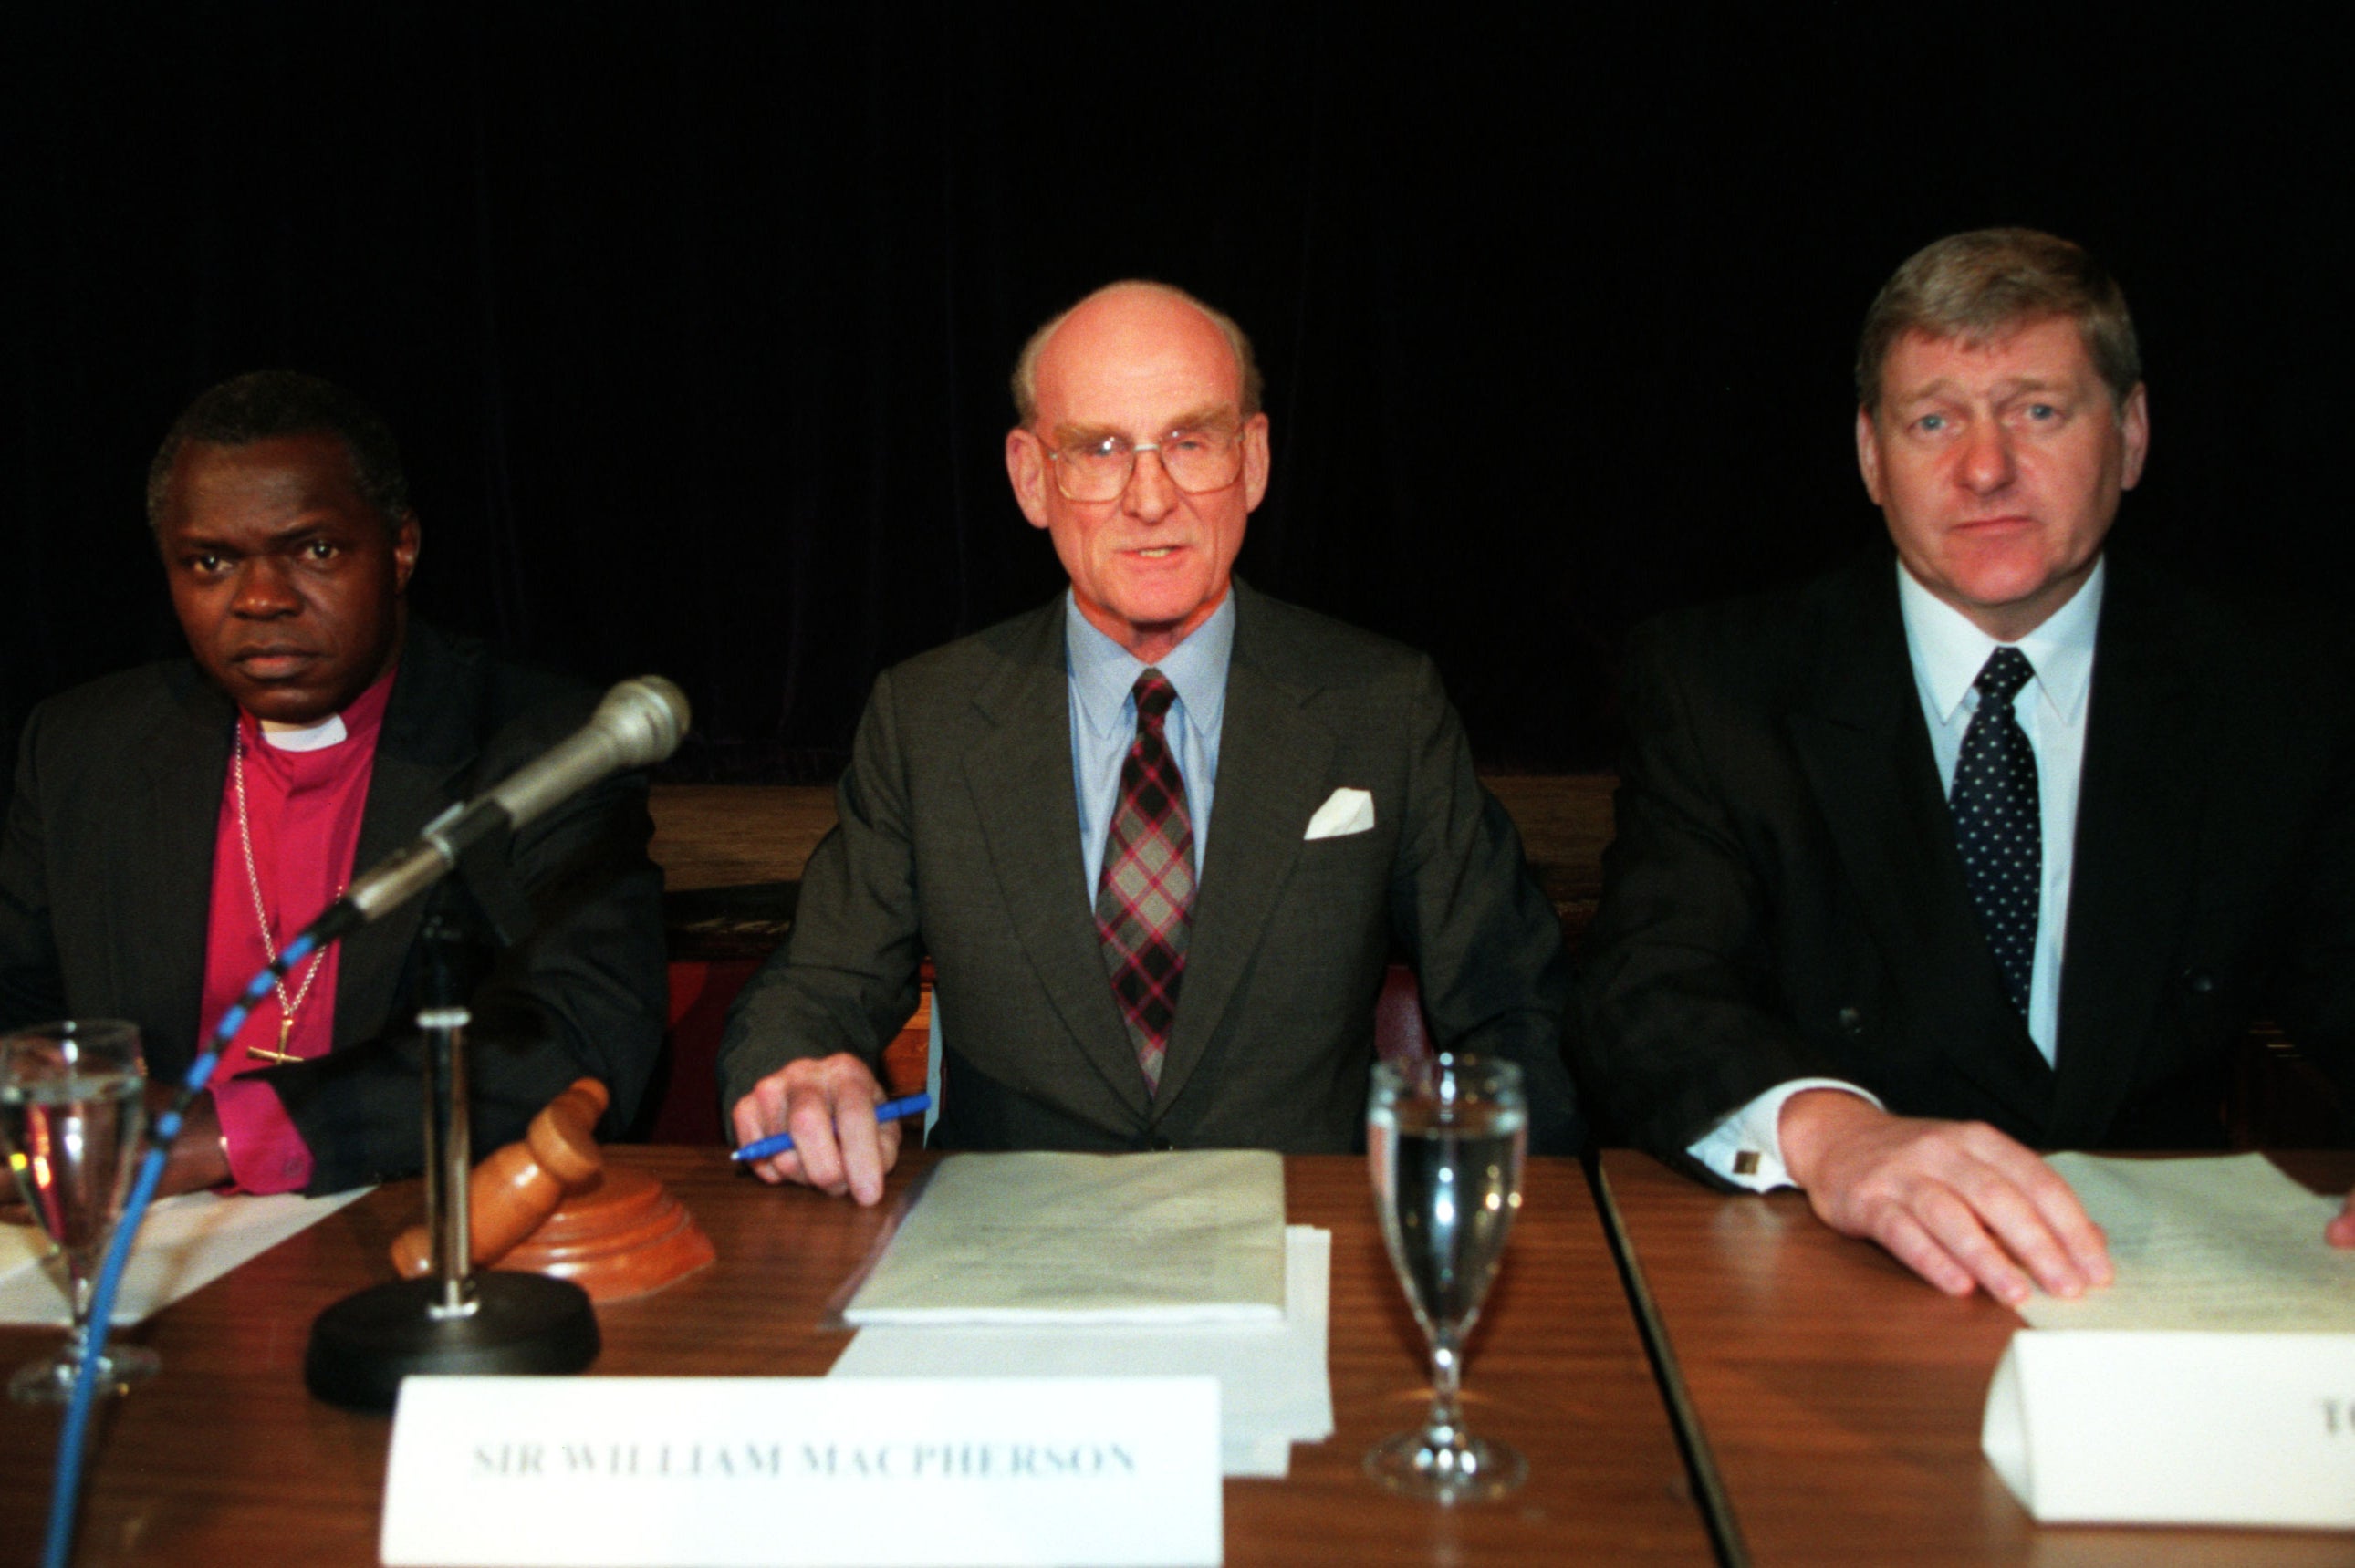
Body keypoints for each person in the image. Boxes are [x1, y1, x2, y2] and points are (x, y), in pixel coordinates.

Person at [1577, 228, 2355, 1303]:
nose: (1983, 468)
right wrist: (1834, 1137)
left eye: (2036, 410)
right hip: (1829, 1280)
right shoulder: (1721, 684)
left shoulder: (2272, 688)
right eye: (1933, 420)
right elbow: (1646, 990)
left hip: (2169, 1280)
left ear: (2129, 435)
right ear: (1868, 455)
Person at [722, 280, 1579, 1202]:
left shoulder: (1381, 706)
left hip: (1303, 1249)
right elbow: (816, 989)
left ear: (1252, 461)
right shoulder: (926, 719)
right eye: (1098, 449)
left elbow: (1512, 1005)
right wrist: (800, 1075)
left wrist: (1493, 1217)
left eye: (1189, 442)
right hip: (1011, 1262)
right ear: (1029, 477)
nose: (1149, 497)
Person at [0, 371, 667, 1197]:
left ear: (400, 549)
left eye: (313, 550)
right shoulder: (82, 747)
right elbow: (20, 1002)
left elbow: (577, 1035)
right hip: (137, 1236)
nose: (262, 599)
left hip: (398, 1214)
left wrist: (220, 1133)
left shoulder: (540, 746)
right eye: (210, 562)